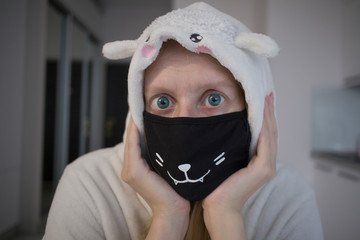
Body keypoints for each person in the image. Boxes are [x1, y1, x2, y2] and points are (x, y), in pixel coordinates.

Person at [43, 2, 323, 240]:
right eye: (163, 102)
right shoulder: (90, 184)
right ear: (138, 108)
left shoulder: (286, 195)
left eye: (213, 99)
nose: (185, 123)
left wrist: (225, 215)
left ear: (254, 108)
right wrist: (167, 217)